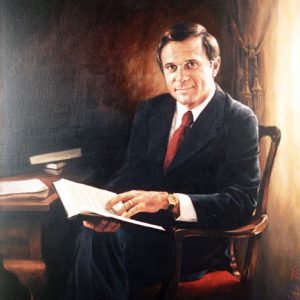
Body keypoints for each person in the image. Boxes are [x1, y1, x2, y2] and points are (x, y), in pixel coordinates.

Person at [66, 22, 260, 300]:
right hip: (141, 233)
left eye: (191, 64)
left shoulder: (238, 119)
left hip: (192, 243)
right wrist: (106, 207)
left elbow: (241, 201)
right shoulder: (151, 111)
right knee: (94, 234)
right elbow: (132, 171)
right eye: (171, 67)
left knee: (100, 247)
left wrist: (171, 201)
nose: (181, 78)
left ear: (214, 66)